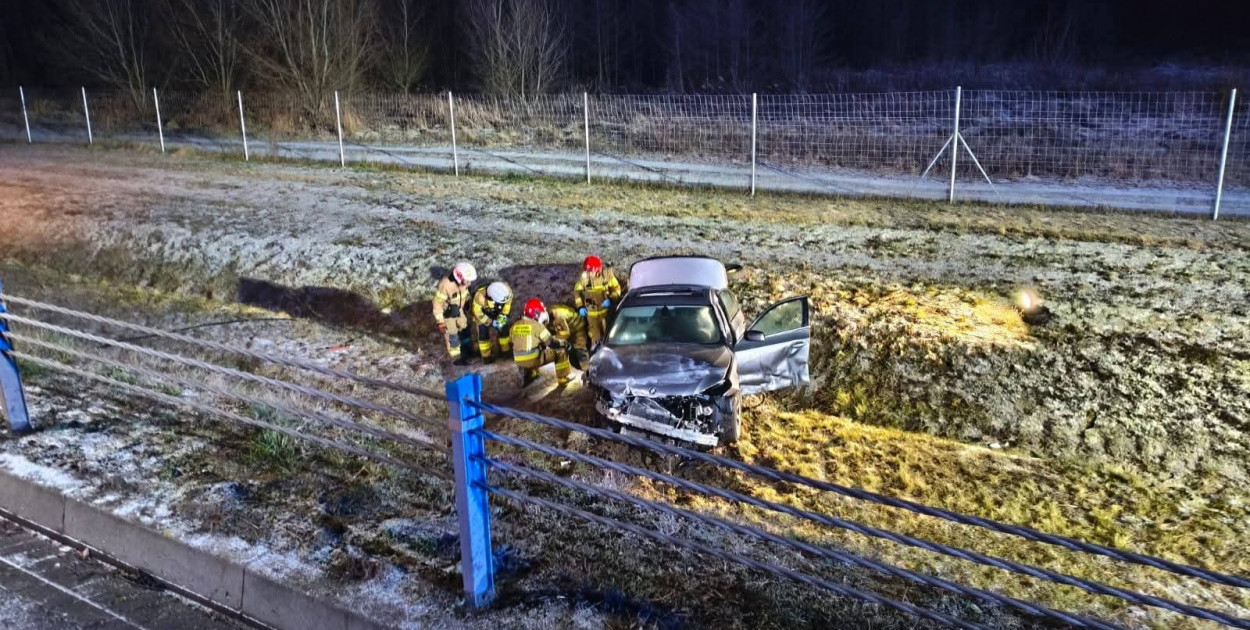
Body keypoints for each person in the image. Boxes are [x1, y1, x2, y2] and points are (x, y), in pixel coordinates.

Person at [511, 298, 571, 385]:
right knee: (560, 351)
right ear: (537, 313)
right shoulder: (537, 326)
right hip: (533, 360)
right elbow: (552, 343)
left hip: (518, 359)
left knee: (525, 351)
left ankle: (527, 374)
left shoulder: (515, 325)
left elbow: (512, 341)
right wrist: (564, 343)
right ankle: (563, 378)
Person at [432, 261, 476, 365]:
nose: (469, 284)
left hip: (459, 311)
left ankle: (468, 352)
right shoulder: (446, 285)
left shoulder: (464, 283)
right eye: (467, 281)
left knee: (465, 330)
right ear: (459, 277)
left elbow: (466, 295)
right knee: (452, 336)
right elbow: (437, 304)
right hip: (448, 315)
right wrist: (440, 321)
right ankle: (456, 358)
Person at [572, 255, 621, 349]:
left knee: (609, 333)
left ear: (598, 270)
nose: (589, 273)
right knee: (594, 335)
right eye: (587, 271)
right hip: (591, 313)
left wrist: (611, 299)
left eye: (591, 271)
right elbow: (577, 292)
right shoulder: (584, 279)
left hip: (606, 311)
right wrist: (580, 306)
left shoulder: (606, 276)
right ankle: (595, 349)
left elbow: (617, 288)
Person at [472, 281, 513, 362]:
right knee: (483, 333)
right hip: (483, 313)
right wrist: (490, 322)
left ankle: (506, 351)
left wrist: (503, 317)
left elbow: (507, 306)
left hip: (498, 310)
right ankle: (486, 356)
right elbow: (478, 313)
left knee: (504, 329)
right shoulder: (479, 297)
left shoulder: (507, 293)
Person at [549, 303, 590, 369]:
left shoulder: (558, 317)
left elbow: (566, 333)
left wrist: (556, 340)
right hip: (571, 324)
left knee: (580, 348)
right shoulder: (551, 312)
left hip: (577, 325)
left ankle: (587, 370)